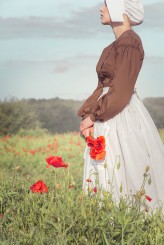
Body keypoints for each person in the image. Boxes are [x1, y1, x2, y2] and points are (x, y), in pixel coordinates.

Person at [78, 0, 164, 210]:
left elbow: (122, 91)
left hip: (119, 113)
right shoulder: (116, 45)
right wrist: (87, 115)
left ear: (120, 9)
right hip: (109, 111)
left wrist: (93, 115)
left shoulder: (129, 43)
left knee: (127, 169)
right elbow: (103, 88)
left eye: (106, 4)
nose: (101, 8)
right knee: (109, 170)